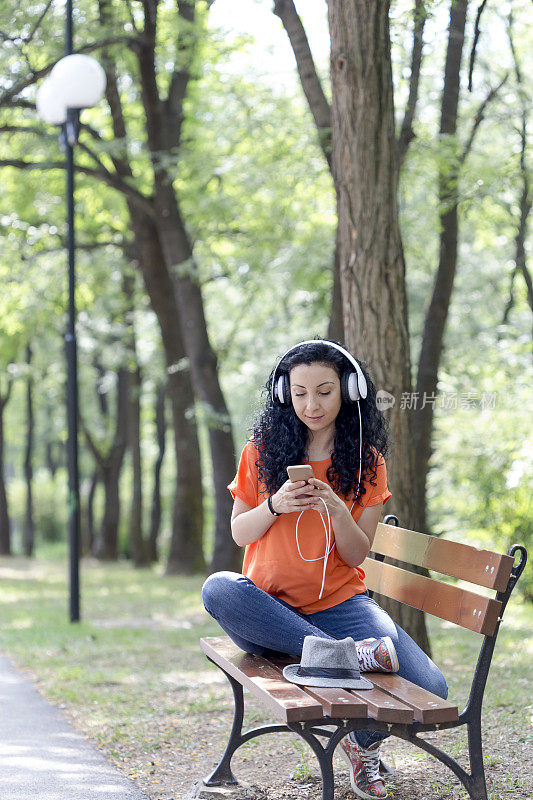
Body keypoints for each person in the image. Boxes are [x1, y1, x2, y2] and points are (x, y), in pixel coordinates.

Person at [202, 339, 448, 800]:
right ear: (284, 395)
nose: (311, 404)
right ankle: (344, 655)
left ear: (349, 391)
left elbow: (357, 556)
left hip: (340, 605)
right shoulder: (260, 452)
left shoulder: (366, 463)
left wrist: (336, 507)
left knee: (432, 684)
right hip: (269, 614)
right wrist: (274, 505)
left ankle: (361, 742)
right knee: (219, 588)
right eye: (299, 393)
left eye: (324, 391)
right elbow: (239, 533)